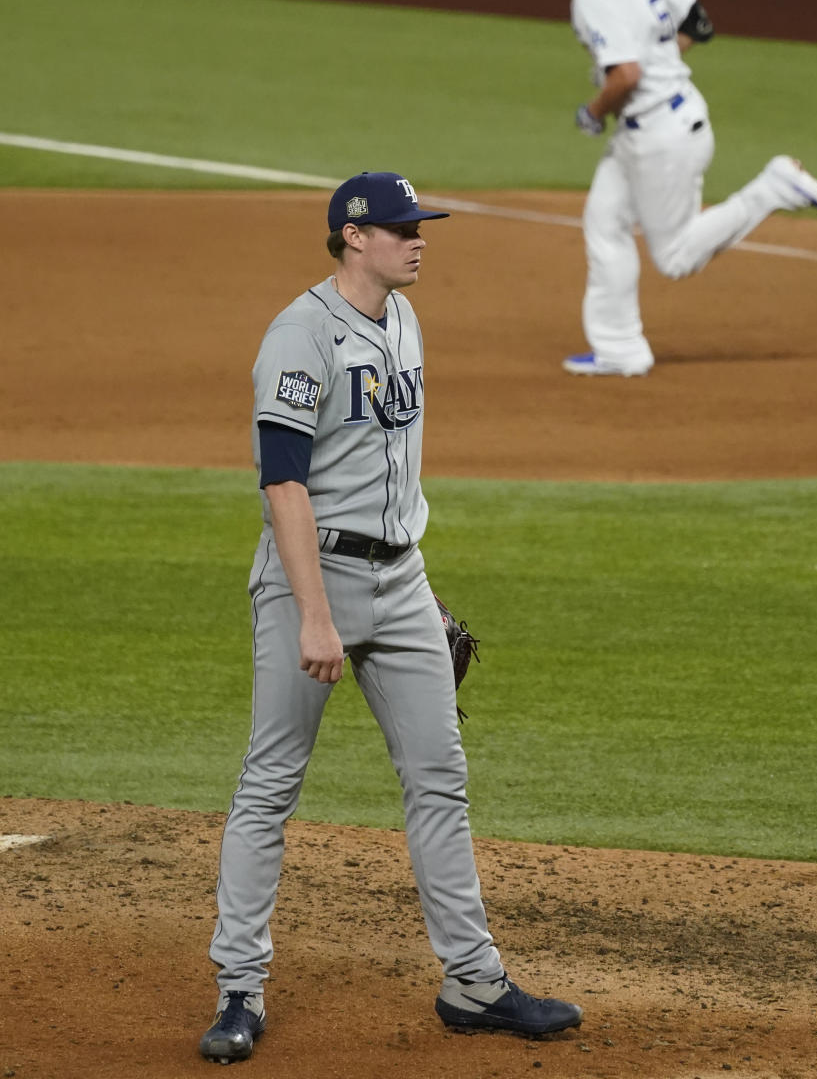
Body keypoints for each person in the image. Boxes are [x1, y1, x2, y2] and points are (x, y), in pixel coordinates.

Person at [198, 171, 584, 1063]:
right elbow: (284, 484)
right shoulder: (300, 338)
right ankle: (239, 988)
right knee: (270, 783)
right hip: (314, 576)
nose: (420, 239)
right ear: (353, 237)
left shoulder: (404, 319)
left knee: (439, 779)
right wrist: (315, 616)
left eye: (421, 226)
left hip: (401, 579)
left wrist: (412, 579)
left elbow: (388, 468)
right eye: (404, 228)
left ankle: (474, 982)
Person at [542, 0, 817, 377]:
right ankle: (620, 348)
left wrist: (594, 112)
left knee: (677, 257)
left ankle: (771, 189)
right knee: (604, 221)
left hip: (659, 135)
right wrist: (662, 59)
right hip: (662, 124)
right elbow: (698, 23)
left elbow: (626, 76)